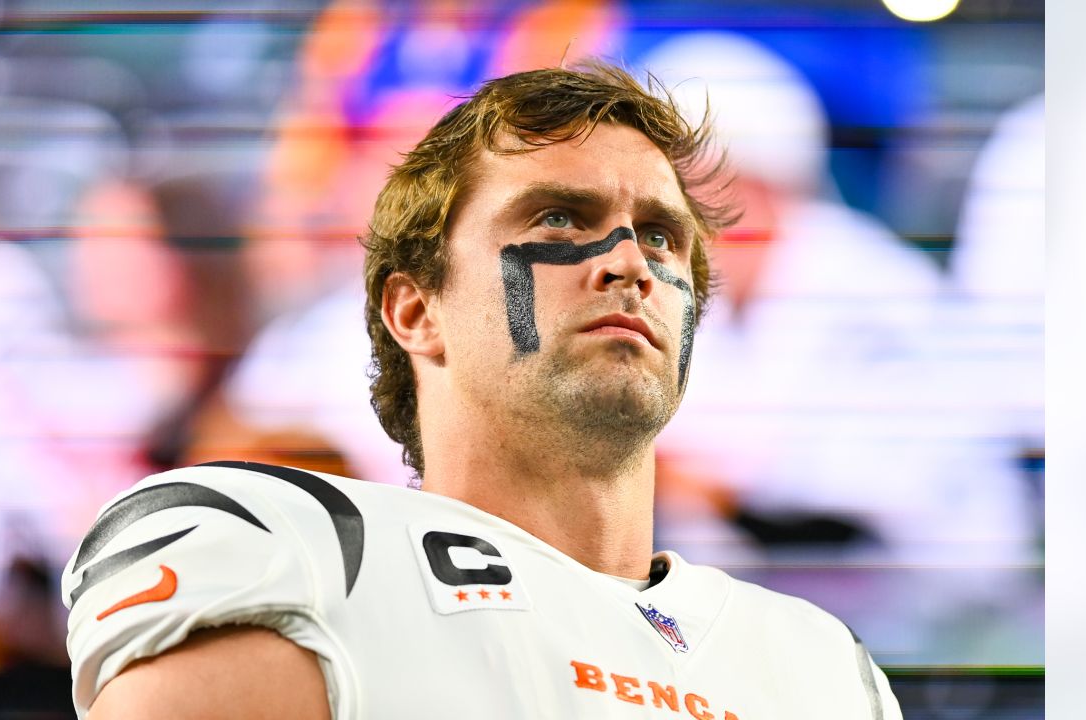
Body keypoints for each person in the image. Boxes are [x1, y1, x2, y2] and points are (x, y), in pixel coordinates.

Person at [62, 61, 903, 720]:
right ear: (416, 309)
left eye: (660, 235)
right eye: (557, 219)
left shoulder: (824, 669)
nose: (629, 263)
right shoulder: (299, 559)